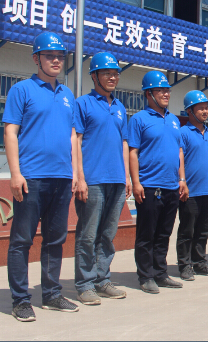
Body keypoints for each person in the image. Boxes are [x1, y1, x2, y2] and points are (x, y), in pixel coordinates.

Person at [3, 31, 80, 321]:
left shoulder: (67, 94)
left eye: (60, 56)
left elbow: (73, 136)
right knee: (22, 240)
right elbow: (11, 131)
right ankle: (21, 299)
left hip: (61, 178)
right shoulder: (21, 90)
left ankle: (52, 294)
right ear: (36, 58)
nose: (56, 61)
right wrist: (15, 173)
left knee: (55, 239)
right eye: (50, 56)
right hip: (31, 178)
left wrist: (74, 172)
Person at [73, 52, 131, 305]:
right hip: (93, 179)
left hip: (117, 180)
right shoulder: (82, 104)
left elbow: (124, 143)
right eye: (107, 73)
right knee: (88, 234)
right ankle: (85, 284)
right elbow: (76, 140)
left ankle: (102, 279)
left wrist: (127, 176)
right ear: (94, 75)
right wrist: (80, 177)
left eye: (116, 73)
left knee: (107, 234)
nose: (112, 77)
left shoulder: (119, 107)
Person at [128, 71, 189, 294]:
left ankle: (160, 273)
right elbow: (133, 152)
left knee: (164, 233)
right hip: (150, 186)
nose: (166, 94)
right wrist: (136, 182)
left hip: (172, 185)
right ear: (149, 94)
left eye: (167, 90)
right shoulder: (139, 120)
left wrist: (182, 179)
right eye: (161, 90)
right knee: (146, 234)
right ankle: (145, 276)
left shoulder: (173, 121)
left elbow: (179, 151)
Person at [176, 90, 208, 281]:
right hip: (190, 191)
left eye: (206, 107)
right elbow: (180, 158)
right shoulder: (183, 132)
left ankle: (199, 262)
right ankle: (184, 265)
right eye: (200, 108)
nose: (205, 111)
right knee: (187, 230)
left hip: (207, 190)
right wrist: (182, 181)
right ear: (189, 111)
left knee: (204, 228)